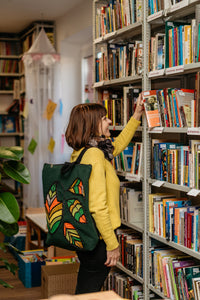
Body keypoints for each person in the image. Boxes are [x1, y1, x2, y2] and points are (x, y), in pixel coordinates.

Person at [65, 93, 144, 294]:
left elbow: (117, 146)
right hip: (99, 240)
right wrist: (112, 244)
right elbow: (98, 207)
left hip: (86, 235)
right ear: (92, 126)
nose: (109, 121)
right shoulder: (94, 156)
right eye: (104, 118)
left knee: (86, 287)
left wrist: (136, 115)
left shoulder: (86, 151)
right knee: (88, 292)